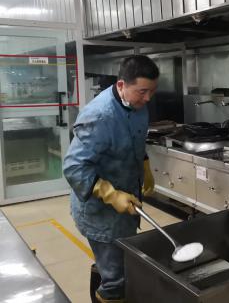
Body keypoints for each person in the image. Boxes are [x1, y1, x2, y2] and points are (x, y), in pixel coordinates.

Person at [63, 55, 159, 303]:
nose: (148, 98)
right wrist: (111, 194)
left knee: (114, 263)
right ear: (121, 85)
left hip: (126, 201)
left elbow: (135, 139)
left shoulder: (137, 104)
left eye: (152, 91)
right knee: (117, 280)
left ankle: (102, 280)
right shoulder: (100, 116)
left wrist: (145, 165)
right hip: (100, 212)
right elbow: (74, 167)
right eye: (143, 91)